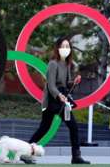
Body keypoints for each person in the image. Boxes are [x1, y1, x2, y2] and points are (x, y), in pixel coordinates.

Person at [21, 36, 90, 164]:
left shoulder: (67, 64)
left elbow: (66, 84)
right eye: (63, 46)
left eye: (67, 46)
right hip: (52, 100)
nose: (65, 49)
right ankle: (26, 153)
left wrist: (74, 82)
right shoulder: (53, 63)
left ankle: (76, 156)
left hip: (62, 99)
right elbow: (51, 85)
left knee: (59, 127)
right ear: (58, 48)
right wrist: (59, 95)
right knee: (52, 128)